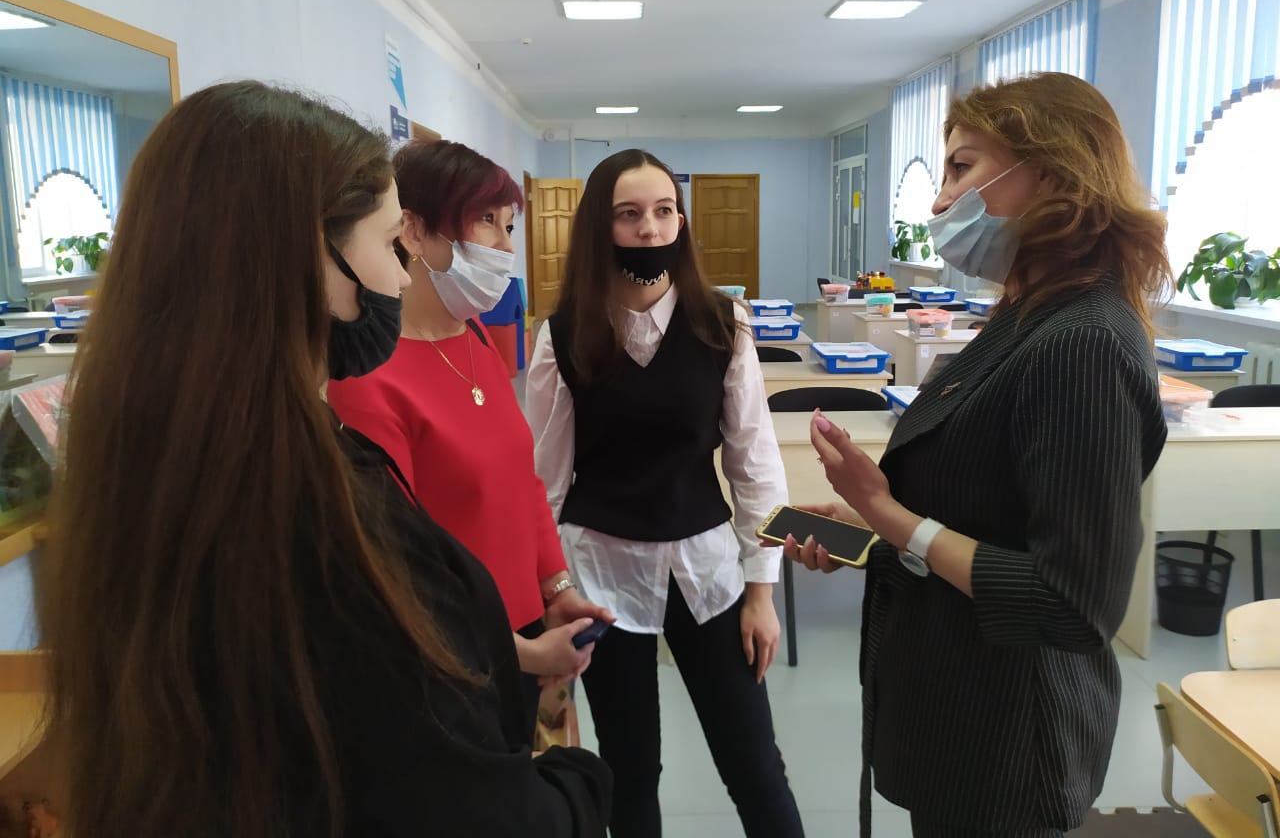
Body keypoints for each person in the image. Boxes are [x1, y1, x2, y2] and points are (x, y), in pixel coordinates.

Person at [41, 81, 611, 838]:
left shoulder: (164, 460)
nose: (401, 277)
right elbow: (455, 800)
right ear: (299, 257)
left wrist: (546, 602)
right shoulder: (315, 516)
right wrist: (581, 781)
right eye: (389, 243)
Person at [784, 72, 1171, 838]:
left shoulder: (1082, 342)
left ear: (1051, 174)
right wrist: (871, 534)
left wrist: (886, 512)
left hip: (1008, 738)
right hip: (958, 707)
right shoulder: (1028, 315)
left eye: (962, 168)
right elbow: (986, 518)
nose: (938, 203)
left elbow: (1070, 603)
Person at [526, 148, 805, 838]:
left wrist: (762, 592)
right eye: (629, 214)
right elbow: (544, 482)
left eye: (663, 211)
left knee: (754, 765)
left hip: (709, 573)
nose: (650, 228)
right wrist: (547, 594)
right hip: (602, 575)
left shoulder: (723, 323)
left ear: (681, 221)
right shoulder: (563, 334)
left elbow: (755, 466)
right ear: (601, 227)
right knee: (629, 770)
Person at [327, 138, 613, 735]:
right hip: (454, 659)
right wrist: (525, 655)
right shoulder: (367, 379)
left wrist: (556, 587)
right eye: (487, 221)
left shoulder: (477, 339)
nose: (506, 248)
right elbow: (398, 571)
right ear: (413, 230)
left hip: (523, 629)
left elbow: (521, 480)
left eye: (508, 226)